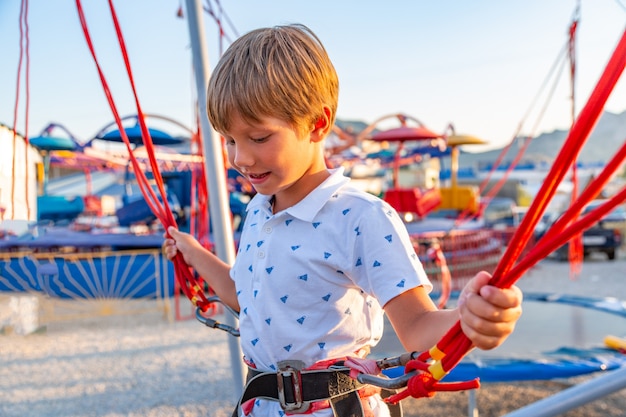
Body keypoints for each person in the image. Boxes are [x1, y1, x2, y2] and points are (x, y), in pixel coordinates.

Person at [163, 24, 522, 417]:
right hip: (261, 405)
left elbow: (418, 325)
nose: (239, 158)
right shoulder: (258, 210)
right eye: (229, 140)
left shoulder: (360, 218)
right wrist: (193, 252)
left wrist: (468, 320)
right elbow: (246, 296)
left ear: (318, 123)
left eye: (259, 138)